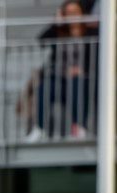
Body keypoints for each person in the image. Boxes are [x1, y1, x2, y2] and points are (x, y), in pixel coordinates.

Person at [28, 1, 96, 141]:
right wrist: (56, 22)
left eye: (74, 12)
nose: (72, 16)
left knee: (77, 84)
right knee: (44, 88)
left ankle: (79, 128)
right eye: (68, 13)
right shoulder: (59, 32)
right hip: (58, 76)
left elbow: (97, 57)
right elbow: (41, 40)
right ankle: (39, 128)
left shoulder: (90, 32)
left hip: (82, 78)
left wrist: (82, 70)